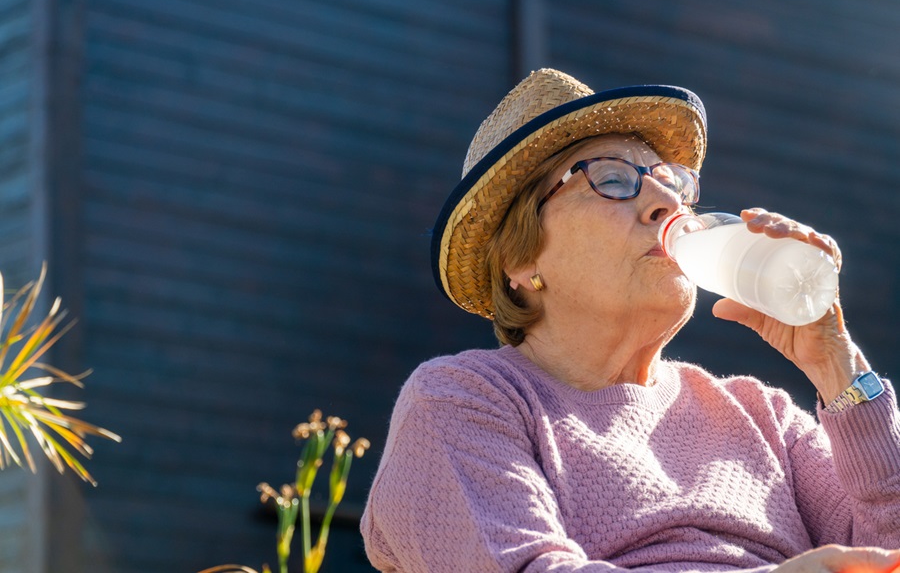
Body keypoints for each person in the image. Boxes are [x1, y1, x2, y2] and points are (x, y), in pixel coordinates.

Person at [360, 69, 900, 573]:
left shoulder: (763, 416)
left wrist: (836, 362)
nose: (667, 202)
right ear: (519, 259)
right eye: (613, 179)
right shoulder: (464, 399)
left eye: (674, 183)